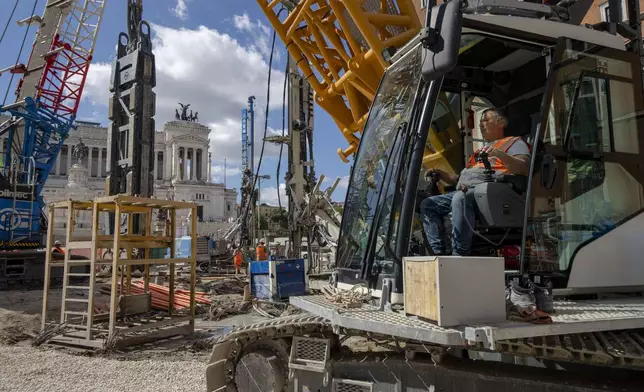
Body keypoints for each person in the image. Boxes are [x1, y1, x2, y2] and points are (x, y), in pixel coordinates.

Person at [420, 108, 531, 256]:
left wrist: (499, 154)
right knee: (428, 204)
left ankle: (459, 253)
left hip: (494, 192)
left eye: (486, 120)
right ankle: (437, 252)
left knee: (460, 198)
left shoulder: (514, 142)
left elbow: (523, 168)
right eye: (480, 121)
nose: (481, 124)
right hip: (469, 190)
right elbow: (462, 179)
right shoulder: (479, 153)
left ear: (501, 122)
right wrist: (441, 174)